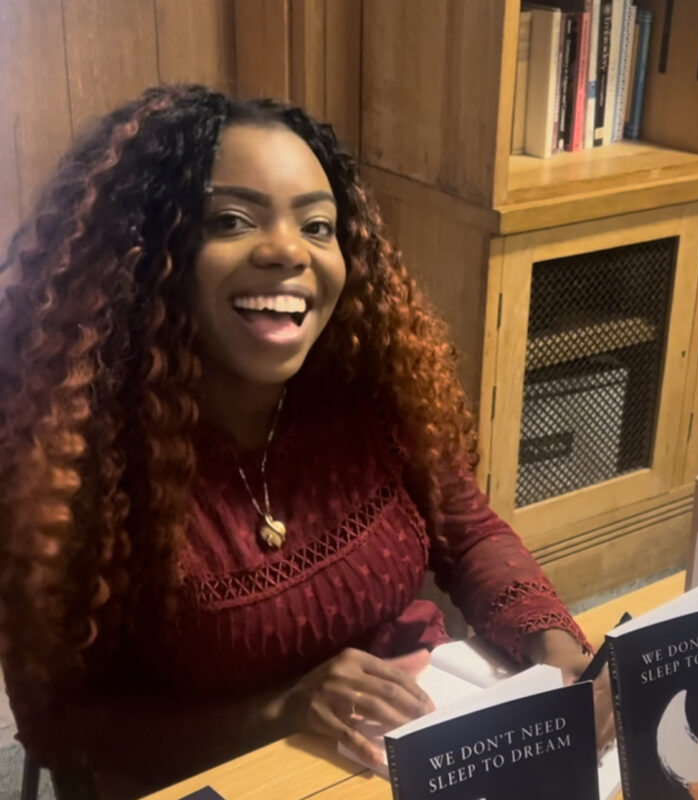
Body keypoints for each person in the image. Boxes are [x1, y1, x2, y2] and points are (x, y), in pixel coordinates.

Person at [0, 84, 612, 799]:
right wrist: (279, 710)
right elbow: (66, 729)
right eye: (231, 220)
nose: (288, 251)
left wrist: (556, 648)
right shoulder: (74, 466)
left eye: (318, 227)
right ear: (148, 253)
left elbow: (466, 529)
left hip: (418, 730)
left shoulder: (367, 390)